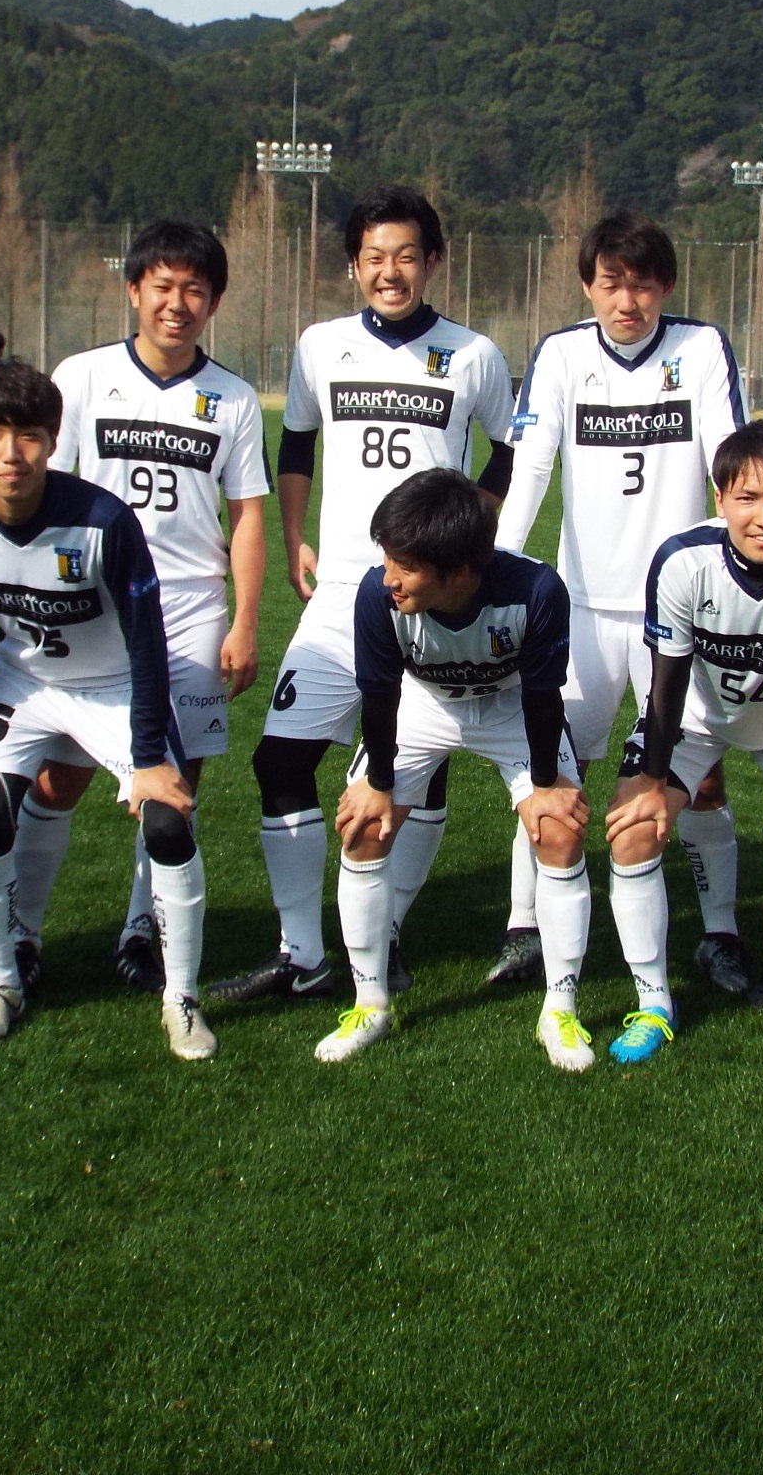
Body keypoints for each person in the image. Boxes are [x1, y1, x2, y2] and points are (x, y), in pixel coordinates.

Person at [217, 185, 516, 1005]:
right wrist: (295, 537)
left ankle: (384, 934)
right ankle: (302, 954)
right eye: (375, 257)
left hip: (427, 595)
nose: (391, 271)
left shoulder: (473, 354)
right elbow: (297, 442)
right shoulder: (321, 346)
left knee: (414, 771)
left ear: (433, 261)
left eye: (407, 255)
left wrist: (469, 527)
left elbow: (510, 447)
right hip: (343, 586)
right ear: (354, 264)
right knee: (280, 759)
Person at [491, 209, 745, 992]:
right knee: (551, 767)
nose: (626, 301)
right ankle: (525, 926)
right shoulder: (562, 354)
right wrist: (501, 564)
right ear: (587, 285)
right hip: (583, 612)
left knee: (699, 777)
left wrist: (727, 568)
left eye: (642, 284)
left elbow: (728, 460)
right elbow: (531, 466)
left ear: (665, 286)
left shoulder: (701, 348)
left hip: (678, 613)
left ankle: (722, 932)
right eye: (611, 283)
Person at [20, 221, 267, 995]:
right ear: (134, 290)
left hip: (190, 608)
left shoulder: (233, 398)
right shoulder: (82, 377)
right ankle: (21, 933)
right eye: (163, 286)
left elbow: (247, 516)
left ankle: (142, 929)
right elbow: (43, 491)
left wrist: (245, 620)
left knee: (173, 785)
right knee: (59, 778)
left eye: (195, 290)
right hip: (91, 606)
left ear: (214, 302)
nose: (177, 303)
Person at [0, 360, 210, 1055]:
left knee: (168, 822)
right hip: (26, 685)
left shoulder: (104, 520)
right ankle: (2, 981)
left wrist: (148, 756)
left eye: (29, 436)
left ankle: (181, 998)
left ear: (54, 440)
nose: (12, 454)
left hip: (114, 685)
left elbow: (147, 644)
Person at [602, 422, 763, 1070]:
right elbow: (666, 682)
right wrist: (651, 780)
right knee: (632, 829)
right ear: (720, 498)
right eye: (747, 498)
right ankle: (654, 1004)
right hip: (694, 721)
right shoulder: (682, 560)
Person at [313, 470, 587, 1066]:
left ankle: (560, 1010)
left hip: (510, 705)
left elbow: (544, 695)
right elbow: (379, 693)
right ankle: (370, 1004)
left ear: (460, 570)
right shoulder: (376, 594)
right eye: (388, 558)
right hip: (422, 704)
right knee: (363, 827)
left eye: (406, 566)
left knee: (558, 830)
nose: (389, 577)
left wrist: (545, 787)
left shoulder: (537, 590)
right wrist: (379, 784)